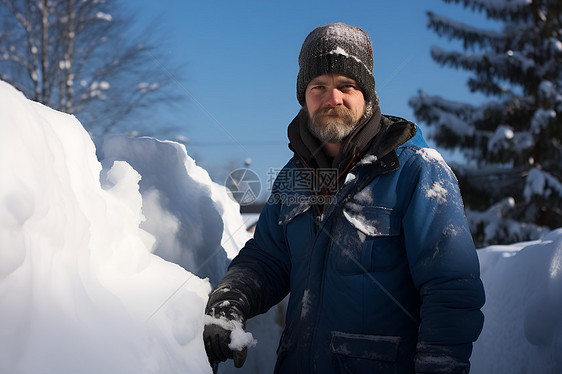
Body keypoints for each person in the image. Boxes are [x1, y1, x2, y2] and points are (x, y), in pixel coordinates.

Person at [203, 22, 485, 374]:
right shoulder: (292, 177)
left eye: (346, 86)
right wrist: (232, 297)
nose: (332, 98)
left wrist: (439, 366)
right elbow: (269, 257)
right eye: (318, 86)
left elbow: (450, 285)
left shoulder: (417, 170)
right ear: (304, 97)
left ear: (366, 95)